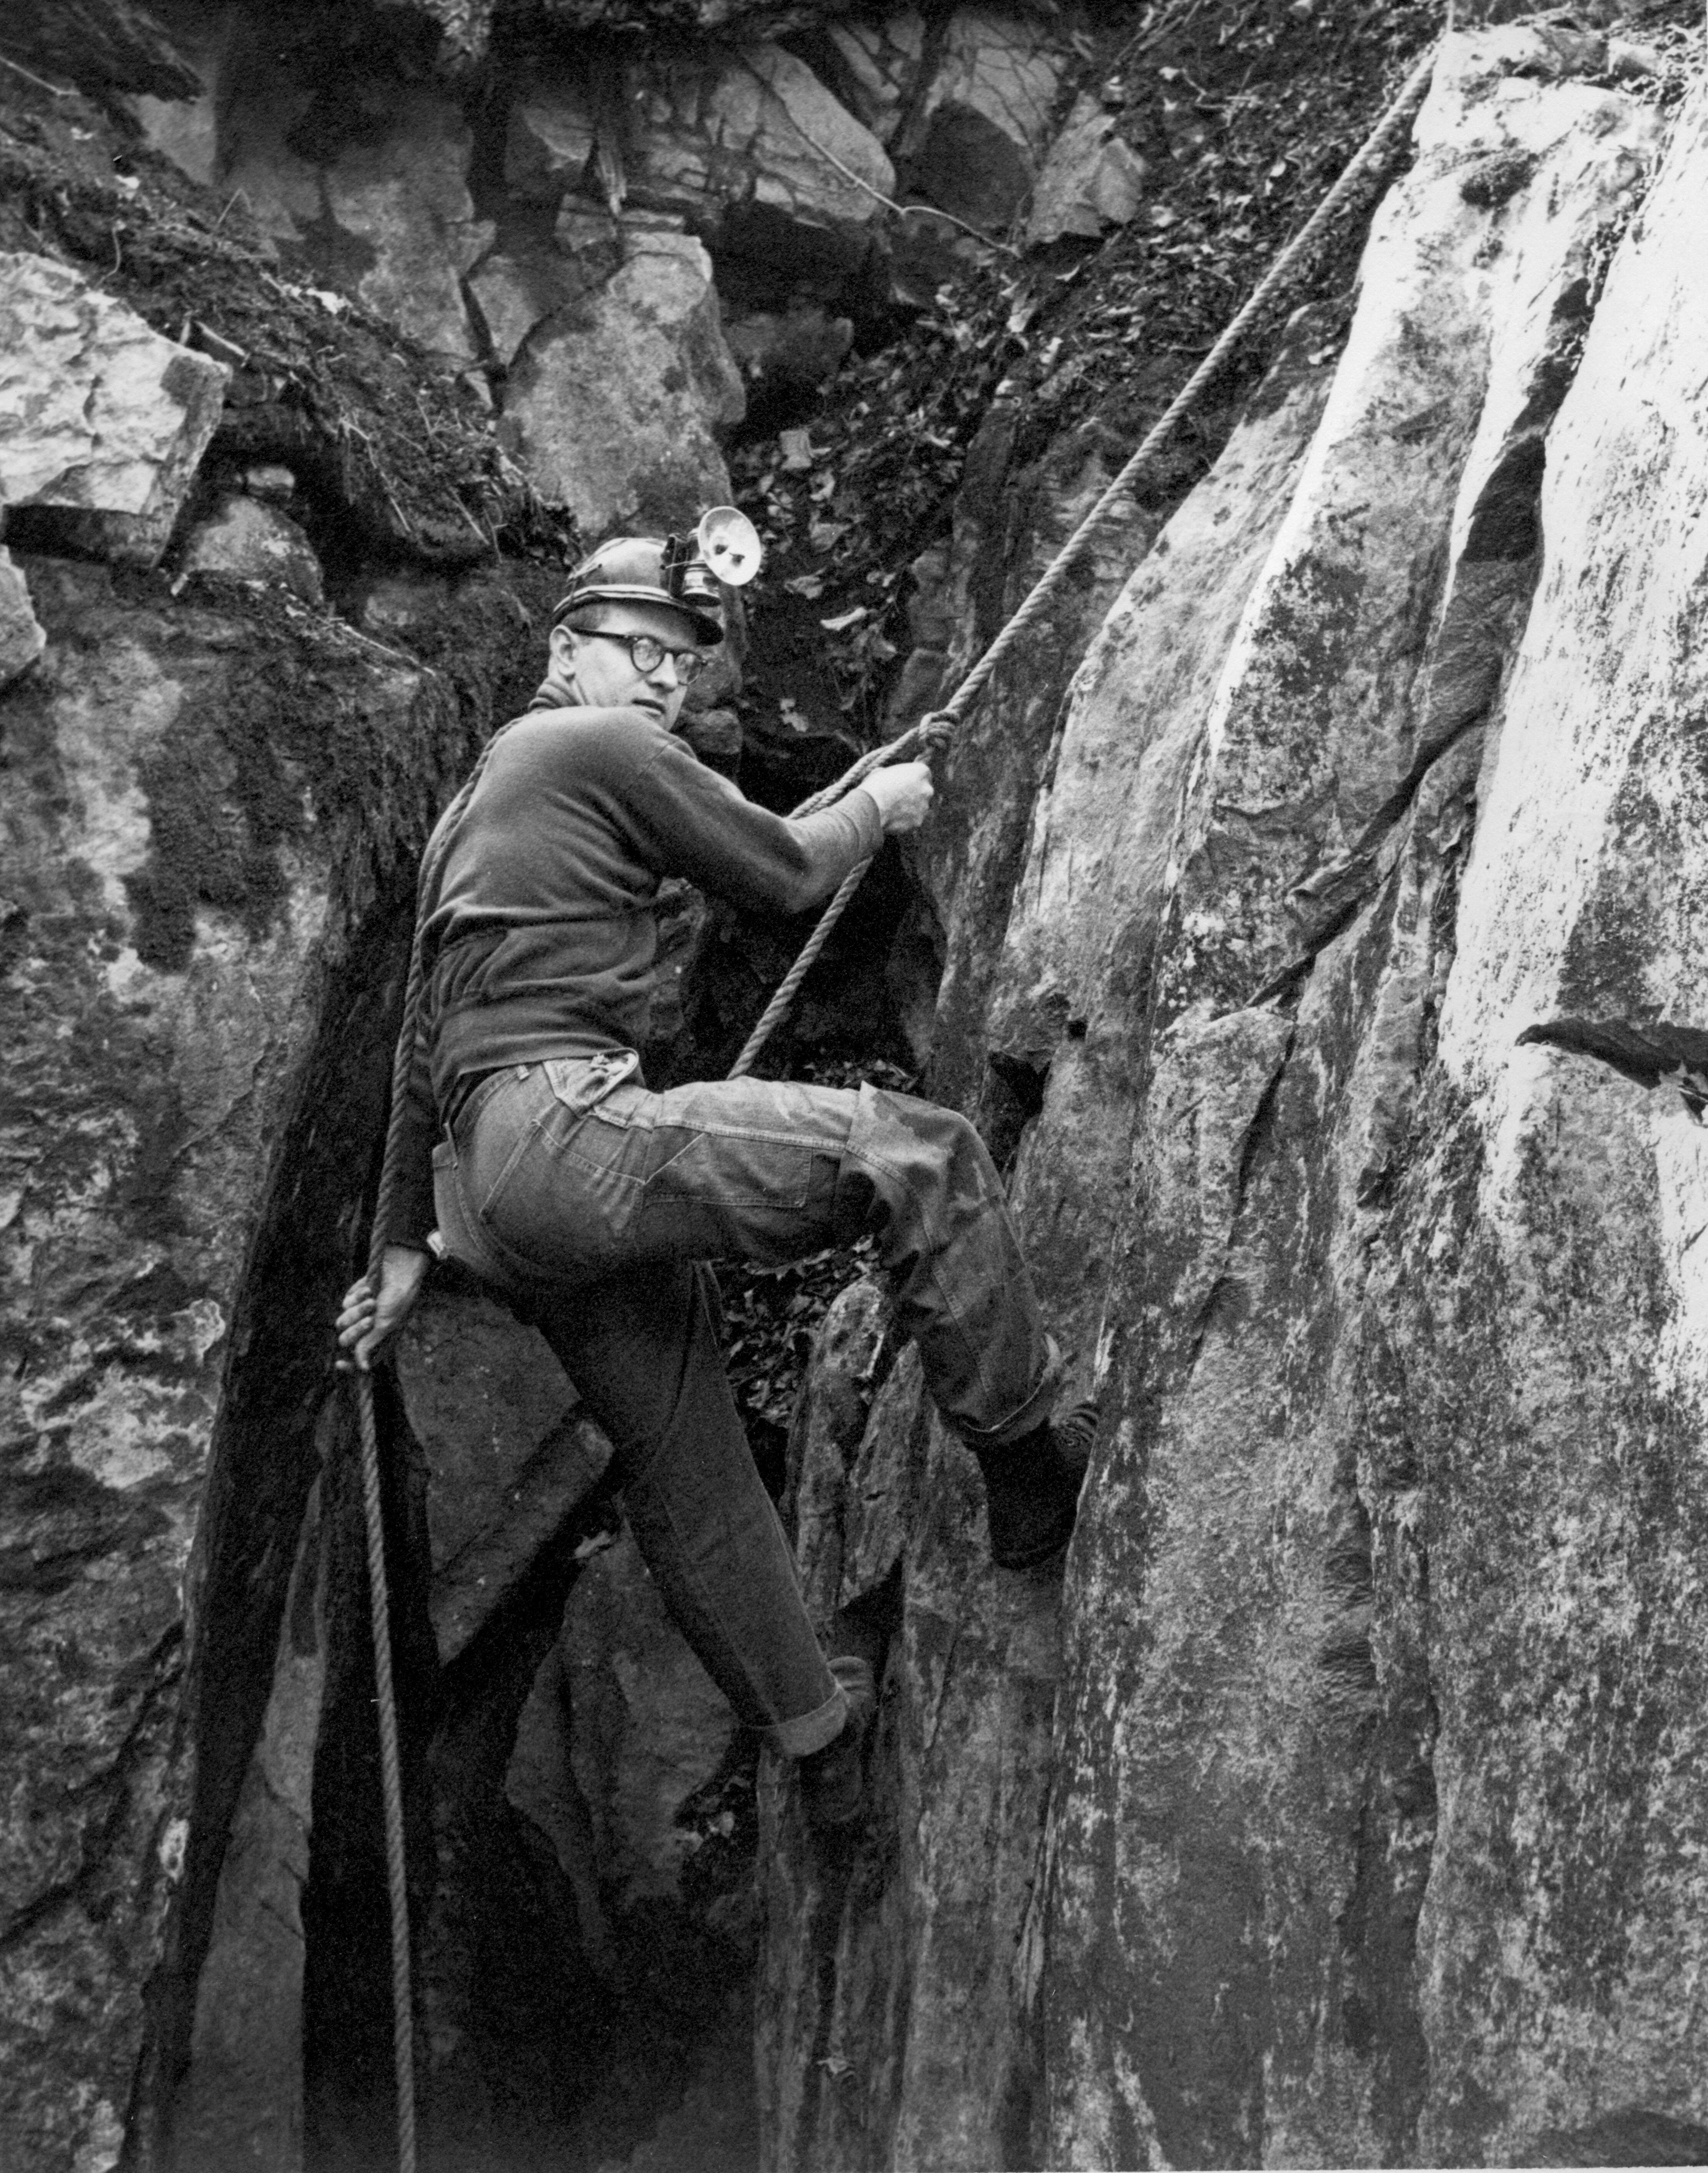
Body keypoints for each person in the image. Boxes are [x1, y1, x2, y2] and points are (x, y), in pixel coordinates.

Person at [336, 526, 1094, 1829]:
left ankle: (820, 1746)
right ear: (565, 651)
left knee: (687, 1462)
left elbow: (422, 1032)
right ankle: (1029, 1473)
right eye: (636, 652)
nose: (660, 685)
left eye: (680, 670)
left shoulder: (478, 804)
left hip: (496, 1204)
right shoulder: (593, 744)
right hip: (566, 1134)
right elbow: (791, 874)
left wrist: (404, 1246)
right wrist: (885, 807)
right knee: (919, 1153)